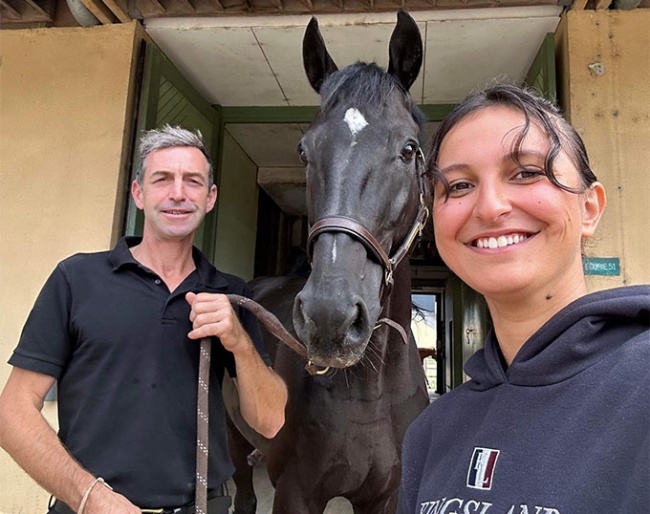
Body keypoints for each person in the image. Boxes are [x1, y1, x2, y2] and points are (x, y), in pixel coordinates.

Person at [0, 125, 288, 514]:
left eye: (193, 181)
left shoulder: (228, 293)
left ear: (210, 198)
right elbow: (13, 412)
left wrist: (238, 340)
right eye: (162, 179)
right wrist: (90, 497)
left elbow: (270, 421)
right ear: (138, 193)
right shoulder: (76, 279)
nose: (178, 193)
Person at [397, 84, 649, 513]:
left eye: (527, 172)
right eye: (458, 186)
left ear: (589, 208)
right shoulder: (430, 433)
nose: (490, 207)